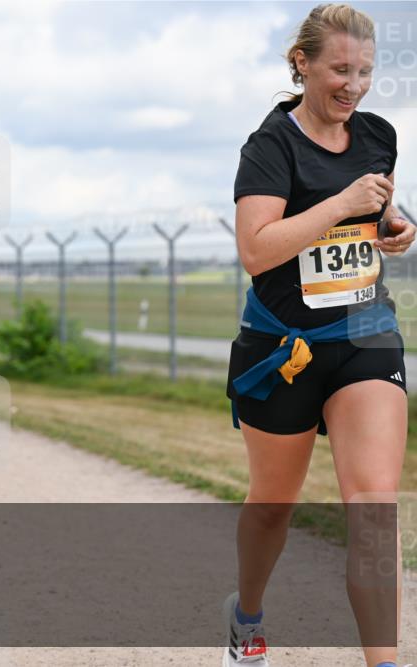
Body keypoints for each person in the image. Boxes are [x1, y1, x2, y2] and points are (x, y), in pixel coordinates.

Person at [225, 5, 414, 667]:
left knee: (372, 506)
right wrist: (339, 205)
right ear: (302, 64)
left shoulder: (378, 135)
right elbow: (256, 249)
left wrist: (395, 225)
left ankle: (384, 662)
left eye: (364, 70)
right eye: (340, 68)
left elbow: (376, 210)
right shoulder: (270, 146)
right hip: (284, 350)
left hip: (366, 334)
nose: (354, 83)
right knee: (274, 505)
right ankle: (247, 616)